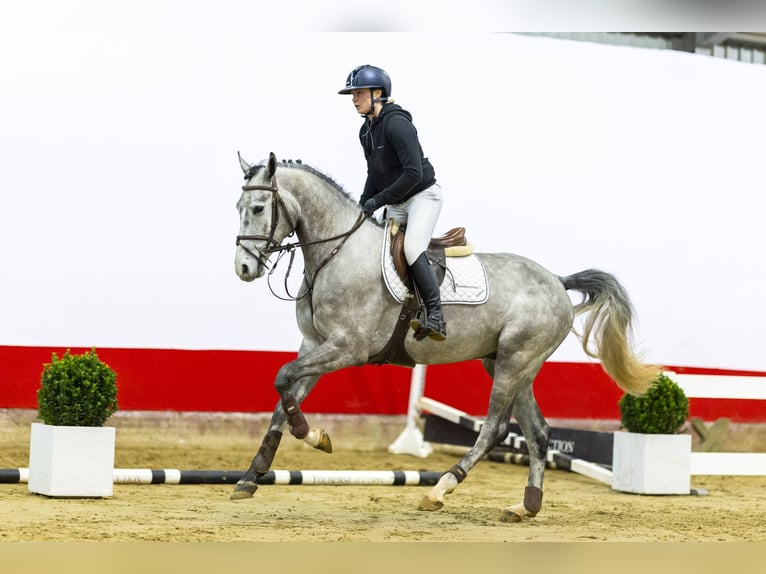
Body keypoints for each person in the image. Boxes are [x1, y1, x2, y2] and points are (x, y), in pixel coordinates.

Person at [338, 64, 446, 341]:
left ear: (378, 93)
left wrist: (379, 200)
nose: (354, 98)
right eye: (353, 93)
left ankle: (436, 315)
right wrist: (362, 204)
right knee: (374, 247)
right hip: (397, 201)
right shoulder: (366, 131)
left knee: (411, 248)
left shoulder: (397, 124)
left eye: (359, 92)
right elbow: (374, 173)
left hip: (423, 196)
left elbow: (414, 174)